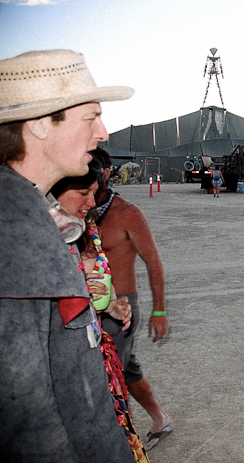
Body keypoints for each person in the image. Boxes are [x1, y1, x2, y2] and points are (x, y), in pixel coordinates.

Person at [0, 49, 134, 461]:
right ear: (40, 125)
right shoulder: (13, 229)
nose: (103, 131)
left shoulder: (35, 214)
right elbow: (25, 415)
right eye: (90, 117)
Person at [50, 167, 149, 462]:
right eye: (83, 193)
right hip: (67, 372)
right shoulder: (37, 242)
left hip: (98, 361)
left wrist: (108, 305)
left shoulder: (87, 228)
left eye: (94, 192)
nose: (92, 202)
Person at [90, 147, 172, 451]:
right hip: (86, 307)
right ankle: (159, 418)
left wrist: (159, 310)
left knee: (108, 377)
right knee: (127, 368)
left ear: (106, 173)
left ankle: (118, 445)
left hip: (119, 310)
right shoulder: (74, 209)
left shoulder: (127, 214)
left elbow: (154, 262)